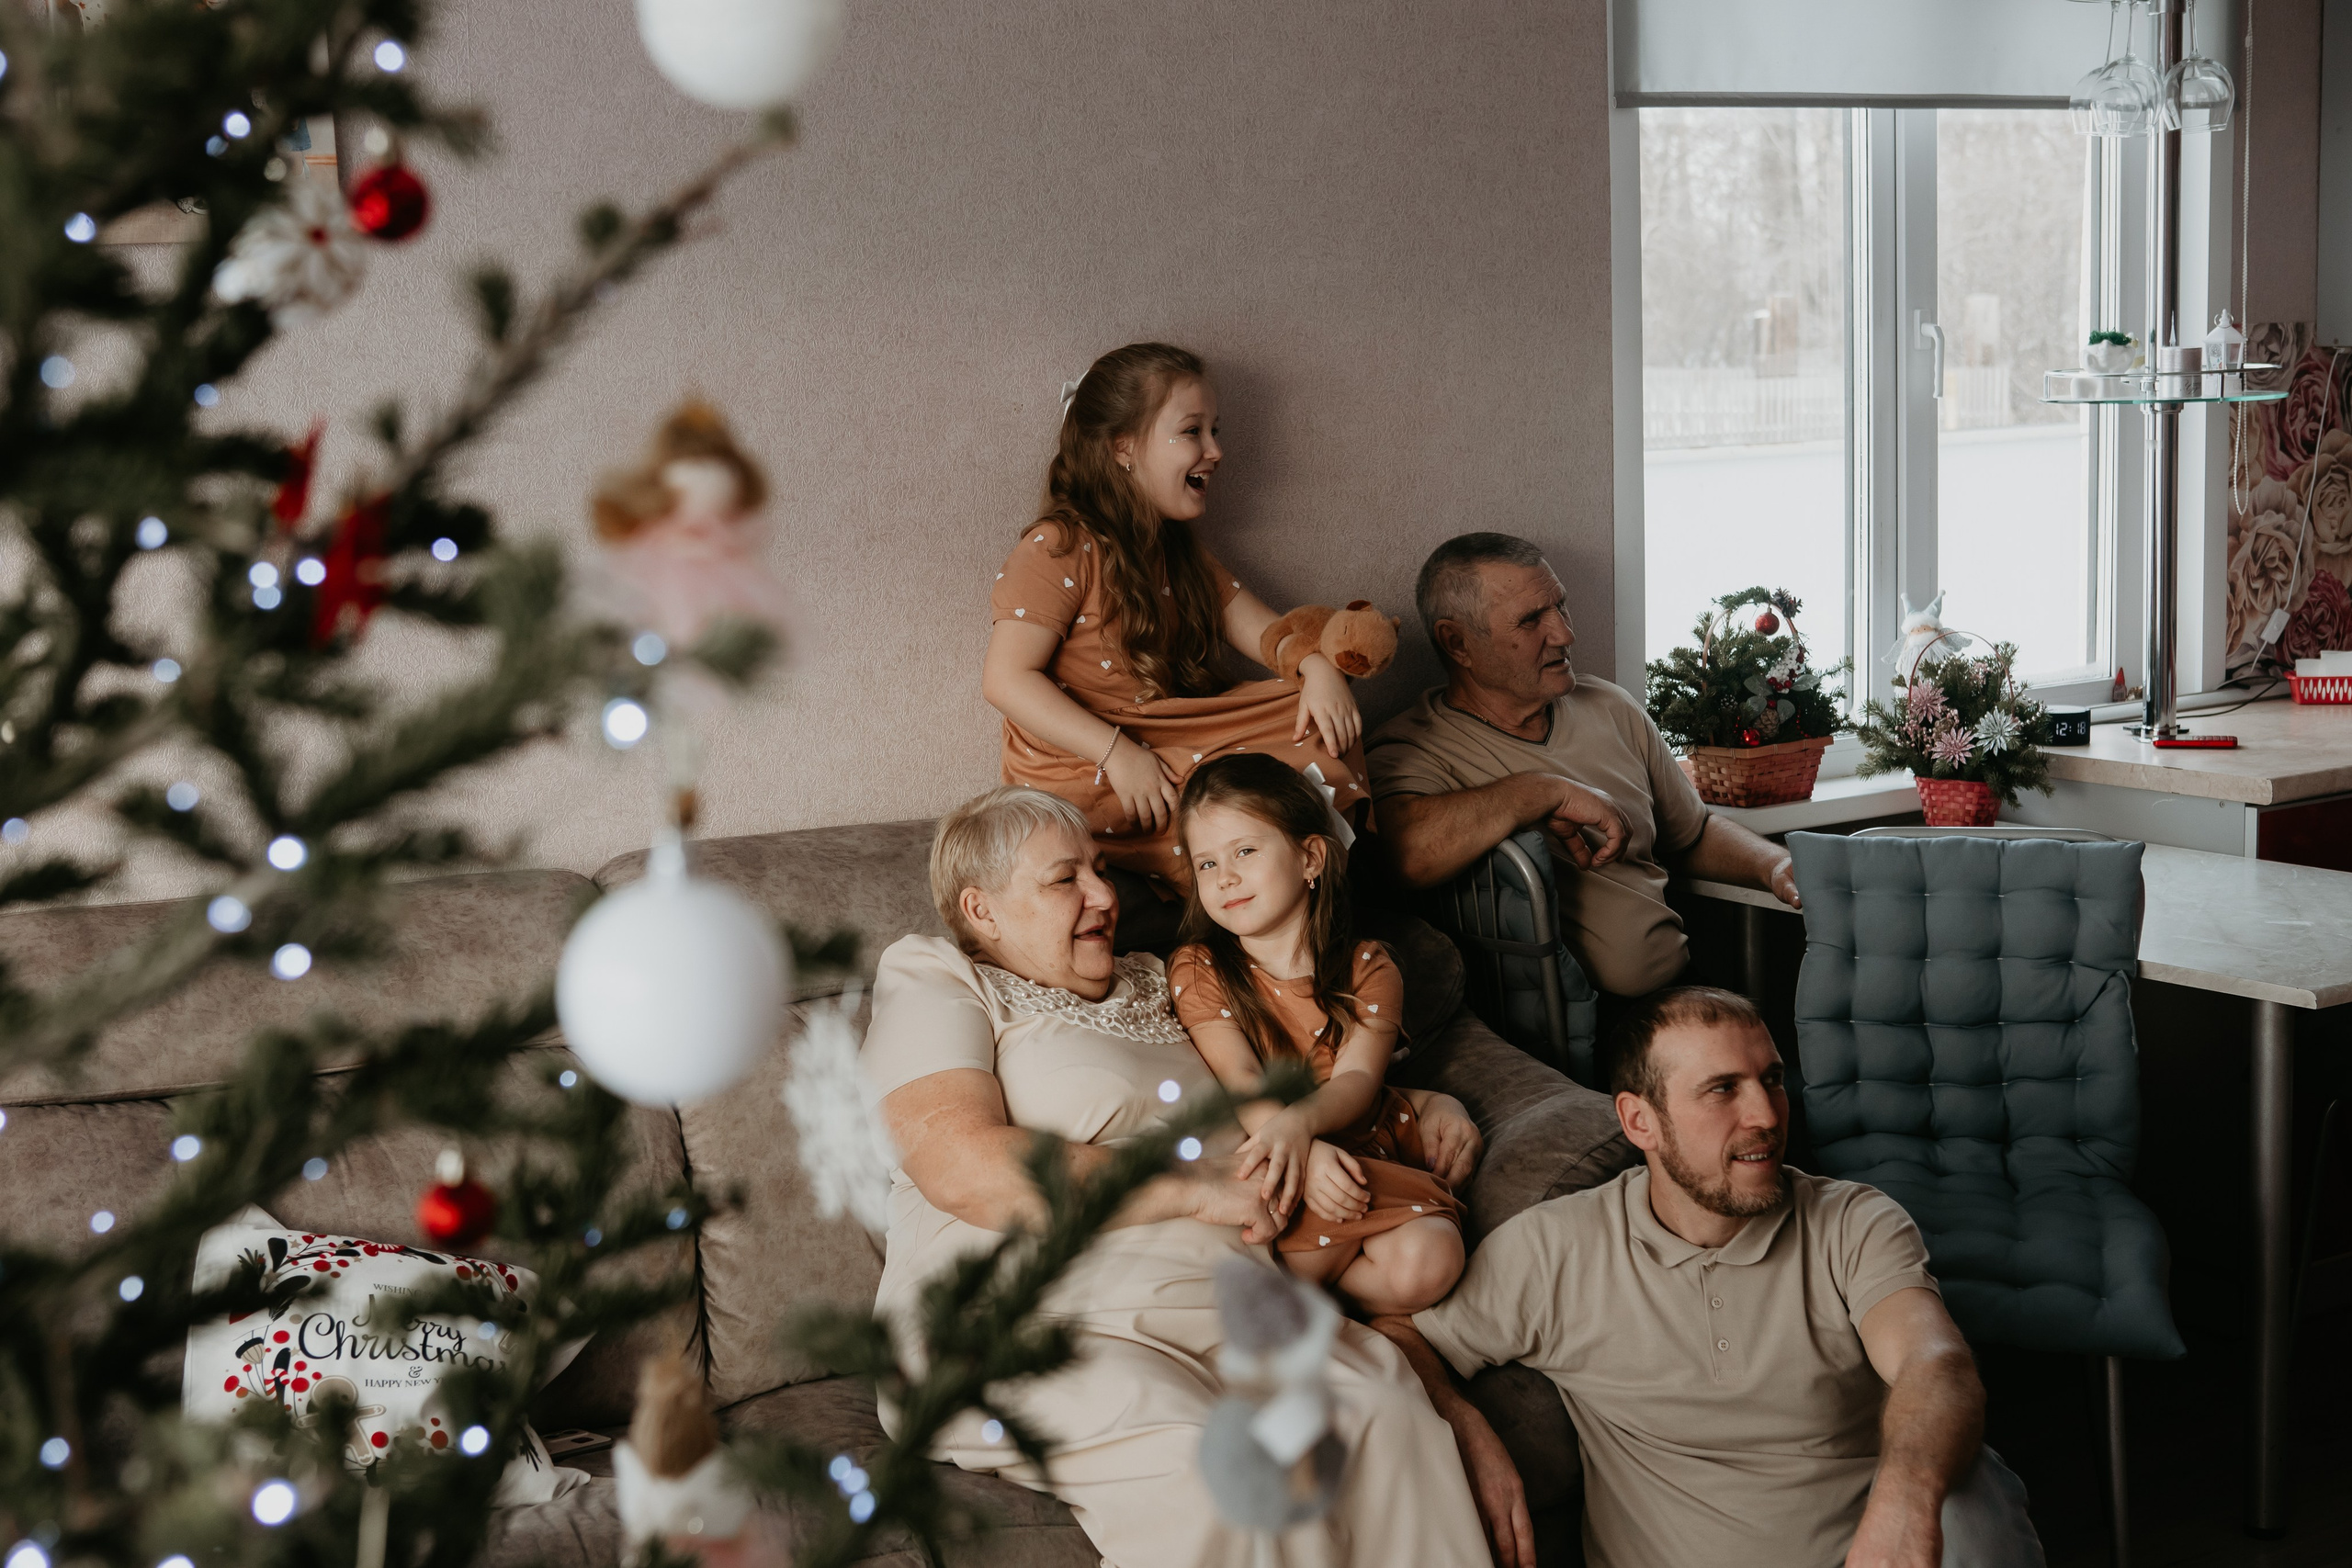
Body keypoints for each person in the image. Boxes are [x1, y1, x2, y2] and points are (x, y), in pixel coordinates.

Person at [862, 784, 1492, 1568]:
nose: (1104, 895)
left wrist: (1423, 1104)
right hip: (1030, 1313)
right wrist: (1198, 1185)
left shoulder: (1167, 978)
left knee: (1389, 1419)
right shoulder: (940, 976)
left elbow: (1297, 1078)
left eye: (1100, 869)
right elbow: (961, 1163)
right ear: (980, 909)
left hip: (1226, 1305)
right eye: (1065, 879)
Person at [1374, 987, 2046, 1568]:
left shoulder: (1852, 1222)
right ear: (1640, 1121)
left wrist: (1906, 1501)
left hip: (1877, 1554)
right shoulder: (1556, 1250)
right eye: (1723, 1089)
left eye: (1772, 1079)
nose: (1767, 1115)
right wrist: (1464, 1426)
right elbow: (1402, 1333)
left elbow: (1936, 1364)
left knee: (1973, 1493)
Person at [981, 342, 1378, 912]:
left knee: (1314, 715)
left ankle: (1315, 903)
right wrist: (1120, 755)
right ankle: (1271, 908)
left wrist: (1317, 667)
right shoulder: (1059, 546)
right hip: (1087, 762)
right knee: (1248, 802)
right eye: (1192, 432)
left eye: (1215, 431)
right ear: (1123, 447)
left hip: (1162, 735)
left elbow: (1265, 631)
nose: (1215, 451)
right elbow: (1006, 680)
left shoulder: (1178, 550)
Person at [1366, 532, 1796, 1008]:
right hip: (1562, 1022)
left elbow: (1691, 835)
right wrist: (1539, 791)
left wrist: (1773, 865)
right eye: (1531, 619)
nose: (1565, 634)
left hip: (1678, 989)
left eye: (1560, 606)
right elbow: (1402, 856)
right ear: (1457, 643)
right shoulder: (1412, 748)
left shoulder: (1609, 705)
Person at [1167, 753, 1471, 1316]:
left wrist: (1302, 1126)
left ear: (1310, 857)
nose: (1224, 876)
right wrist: (1299, 1152)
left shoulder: (1369, 967)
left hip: (1360, 1142)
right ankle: (1325, 1306)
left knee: (1432, 1262)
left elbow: (1357, 1080)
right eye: (1206, 863)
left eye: (1244, 851)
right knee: (1293, 1256)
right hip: (1272, 1149)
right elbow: (1241, 1078)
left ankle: (1334, 1301)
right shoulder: (1199, 968)